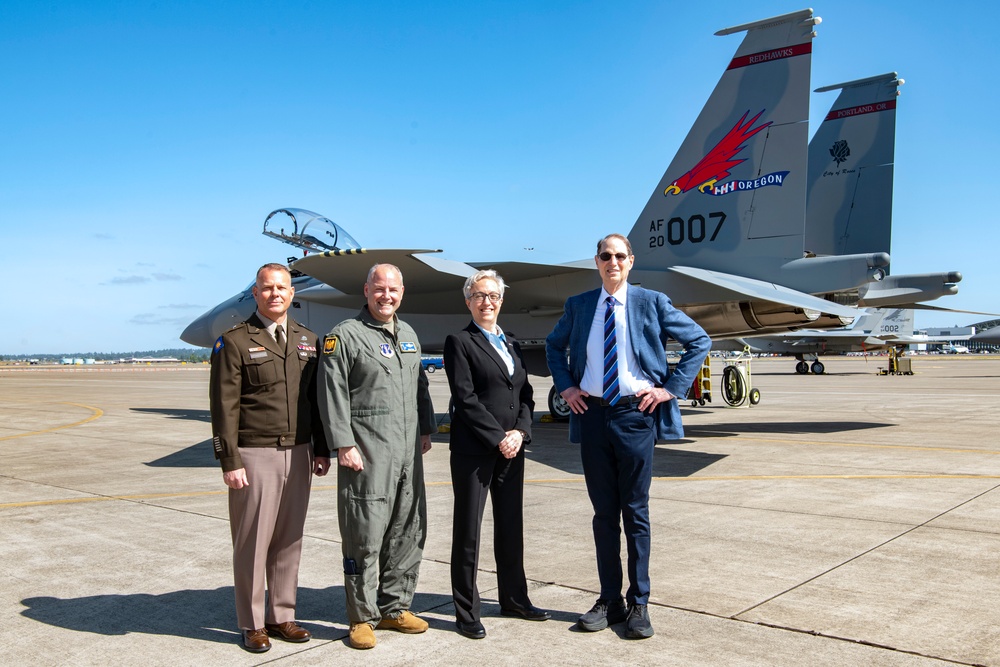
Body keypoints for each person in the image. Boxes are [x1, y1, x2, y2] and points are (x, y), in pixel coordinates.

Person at [545, 234, 711, 639]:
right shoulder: (580, 305)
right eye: (606, 256)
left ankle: (640, 602)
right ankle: (609, 599)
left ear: (631, 261)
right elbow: (553, 346)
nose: (612, 262)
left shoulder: (651, 302)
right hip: (592, 415)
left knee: (635, 512)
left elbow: (699, 341)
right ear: (596, 261)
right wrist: (566, 387)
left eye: (620, 256)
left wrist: (670, 388)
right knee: (604, 515)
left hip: (635, 415)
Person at [209, 262, 330, 653]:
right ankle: (252, 622)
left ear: (292, 294)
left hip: (299, 453)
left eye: (282, 288)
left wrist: (322, 448)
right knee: (252, 542)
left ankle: (282, 615)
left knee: (289, 539)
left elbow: (316, 402)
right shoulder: (235, 342)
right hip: (255, 453)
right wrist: (230, 461)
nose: (275, 294)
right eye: (267, 288)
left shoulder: (308, 339)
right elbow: (223, 407)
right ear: (256, 293)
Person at [317, 263, 436, 650]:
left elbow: (420, 386)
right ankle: (361, 617)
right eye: (380, 288)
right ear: (366, 290)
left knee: (407, 528)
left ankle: (395, 607)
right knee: (364, 533)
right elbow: (331, 393)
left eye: (394, 290)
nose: (387, 296)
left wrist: (425, 429)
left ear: (402, 292)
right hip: (367, 450)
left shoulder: (409, 335)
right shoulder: (345, 336)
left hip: (406, 451)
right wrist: (342, 443)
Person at [444, 269, 550, 640]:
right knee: (469, 530)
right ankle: (466, 611)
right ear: (468, 301)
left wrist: (520, 432)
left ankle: (515, 598)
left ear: (501, 300)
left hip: (513, 447)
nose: (486, 302)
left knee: (510, 526)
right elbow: (465, 398)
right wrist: (497, 438)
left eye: (492, 296)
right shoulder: (459, 341)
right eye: (478, 296)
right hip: (476, 450)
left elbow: (525, 395)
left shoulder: (512, 343)